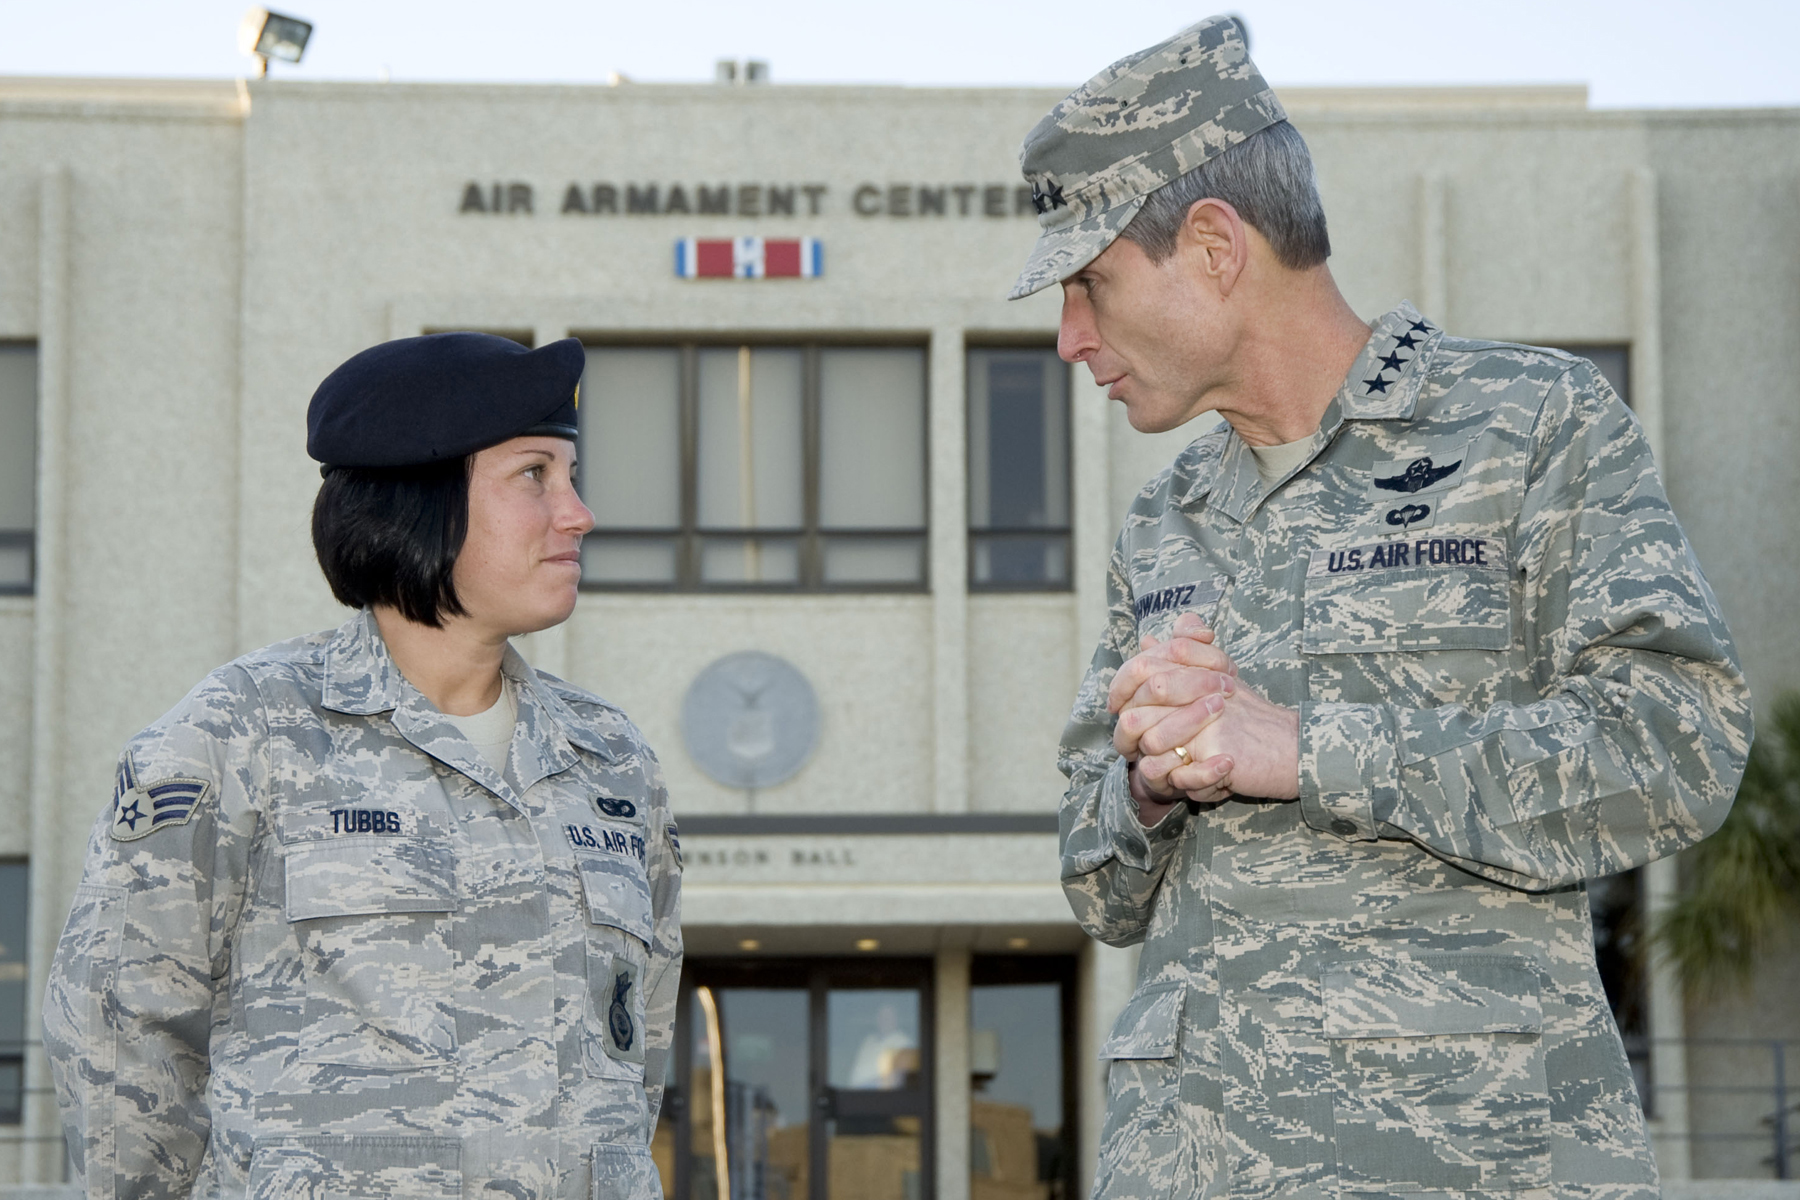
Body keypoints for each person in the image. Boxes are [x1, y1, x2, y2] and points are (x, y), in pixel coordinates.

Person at [1012, 17, 1753, 1199]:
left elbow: (1676, 746)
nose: (1069, 339)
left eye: (1091, 284)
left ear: (1213, 247)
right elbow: (1096, 885)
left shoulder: (1532, 425)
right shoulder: (1166, 520)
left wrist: (1304, 749)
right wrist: (1145, 785)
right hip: (1191, 1163)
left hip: (1465, 1158)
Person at [43, 333, 682, 1199]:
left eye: (570, 476)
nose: (578, 513)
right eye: (535, 475)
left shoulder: (611, 760)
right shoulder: (241, 736)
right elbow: (121, 1038)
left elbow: (637, 1050)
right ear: (418, 501)